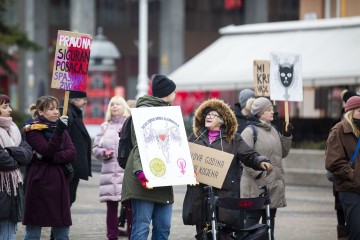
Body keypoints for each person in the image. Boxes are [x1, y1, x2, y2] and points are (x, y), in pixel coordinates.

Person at [186, 98, 273, 239]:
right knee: (203, 233)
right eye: (207, 114)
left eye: (213, 115)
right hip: (199, 195)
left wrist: (260, 161)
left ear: (222, 120)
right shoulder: (195, 138)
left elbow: (249, 155)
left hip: (224, 195)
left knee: (223, 233)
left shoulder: (234, 139)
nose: (209, 116)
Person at [121, 74, 177, 240]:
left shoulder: (168, 113)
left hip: (163, 177)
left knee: (163, 227)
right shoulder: (145, 111)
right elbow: (140, 144)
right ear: (167, 93)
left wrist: (186, 168)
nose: (175, 95)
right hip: (143, 178)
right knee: (141, 226)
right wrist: (140, 172)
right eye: (174, 92)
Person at [22, 95, 76, 240]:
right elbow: (47, 149)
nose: (56, 112)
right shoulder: (33, 130)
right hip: (39, 183)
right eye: (51, 109)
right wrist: (58, 133)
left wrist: (51, 158)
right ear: (41, 112)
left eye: (56, 108)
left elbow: (72, 153)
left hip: (59, 183)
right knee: (33, 229)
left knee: (62, 230)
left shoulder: (61, 129)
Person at [240, 97, 293, 239]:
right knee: (252, 222)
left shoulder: (274, 130)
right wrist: (260, 174)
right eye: (268, 110)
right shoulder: (249, 132)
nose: (272, 112)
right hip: (255, 187)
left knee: (270, 221)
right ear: (259, 112)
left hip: (273, 186)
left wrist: (286, 136)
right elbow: (244, 158)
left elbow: (283, 153)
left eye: (272, 109)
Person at [92, 96, 131, 240]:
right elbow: (95, 148)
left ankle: (132, 236)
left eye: (118, 104)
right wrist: (103, 152)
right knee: (111, 208)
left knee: (130, 208)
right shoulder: (104, 126)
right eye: (112, 104)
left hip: (126, 172)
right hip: (109, 172)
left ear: (124, 107)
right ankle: (112, 236)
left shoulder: (129, 124)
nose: (114, 106)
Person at [325, 95, 360, 240]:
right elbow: (333, 162)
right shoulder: (338, 130)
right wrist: (353, 176)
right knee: (356, 231)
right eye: (359, 111)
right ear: (350, 112)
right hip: (349, 188)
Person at [0, 94, 32, 240]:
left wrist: (10, 151)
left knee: (9, 231)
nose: (10, 110)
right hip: (3, 187)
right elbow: (5, 161)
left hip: (13, 188)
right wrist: (15, 159)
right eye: (5, 107)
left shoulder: (14, 130)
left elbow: (27, 154)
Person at [66, 91, 92, 206]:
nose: (85, 103)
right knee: (67, 196)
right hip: (70, 164)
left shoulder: (76, 113)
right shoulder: (68, 113)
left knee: (70, 196)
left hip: (74, 164)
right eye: (83, 100)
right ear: (75, 100)